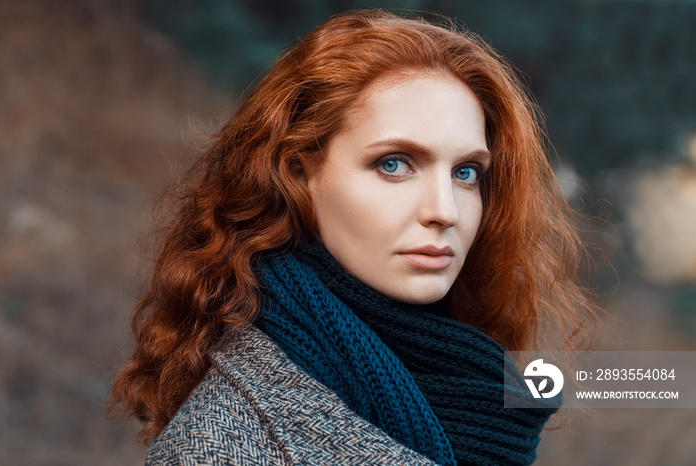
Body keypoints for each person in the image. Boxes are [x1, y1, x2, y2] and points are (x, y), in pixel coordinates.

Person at [111, 9, 600, 465]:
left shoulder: (477, 389)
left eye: (467, 172)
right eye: (393, 164)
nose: (444, 211)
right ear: (301, 175)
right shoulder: (219, 446)